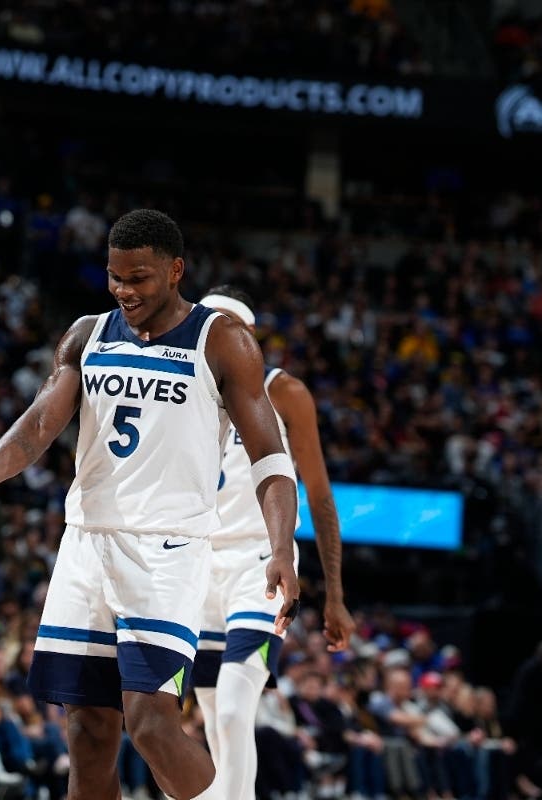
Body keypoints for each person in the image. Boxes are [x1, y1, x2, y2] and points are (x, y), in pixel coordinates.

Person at [0, 209, 301, 800]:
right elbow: (41, 422)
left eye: (139, 278)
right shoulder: (87, 334)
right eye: (115, 276)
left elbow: (272, 460)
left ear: (175, 271)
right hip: (86, 543)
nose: (124, 290)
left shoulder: (220, 340)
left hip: (167, 551)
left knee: (149, 726)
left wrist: (280, 547)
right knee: (88, 732)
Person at [188, 285, 354, 800]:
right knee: (214, 717)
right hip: (196, 568)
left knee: (237, 709)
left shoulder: (282, 392)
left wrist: (335, 595)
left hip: (260, 566)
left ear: (248, 338)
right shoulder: (182, 393)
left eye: (225, 328)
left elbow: (321, 501)